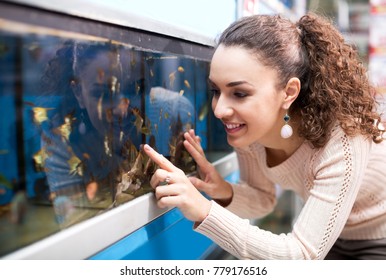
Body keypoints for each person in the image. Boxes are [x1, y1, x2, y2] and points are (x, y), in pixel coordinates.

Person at [143, 12, 386, 260]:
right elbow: (263, 199)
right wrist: (222, 189)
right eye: (216, 90)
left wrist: (205, 210)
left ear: (289, 92)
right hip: (330, 235)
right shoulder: (250, 130)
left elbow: (301, 255)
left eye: (239, 93)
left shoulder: (343, 138)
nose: (219, 110)